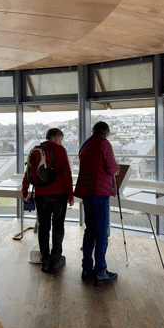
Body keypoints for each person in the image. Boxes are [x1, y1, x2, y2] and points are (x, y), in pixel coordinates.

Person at [21, 128, 74, 273]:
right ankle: (56, 259)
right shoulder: (60, 150)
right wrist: (70, 196)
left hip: (41, 195)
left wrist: (24, 191)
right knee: (58, 226)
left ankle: (45, 260)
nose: (61, 142)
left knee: (43, 227)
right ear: (56, 138)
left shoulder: (36, 150)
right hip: (59, 195)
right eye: (61, 139)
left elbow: (28, 172)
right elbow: (67, 173)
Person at [74, 121, 120, 286]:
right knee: (101, 233)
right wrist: (117, 170)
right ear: (106, 133)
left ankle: (87, 268)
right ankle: (101, 272)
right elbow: (112, 167)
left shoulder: (85, 145)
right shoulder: (104, 143)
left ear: (94, 131)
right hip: (100, 192)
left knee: (90, 231)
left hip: (86, 192)